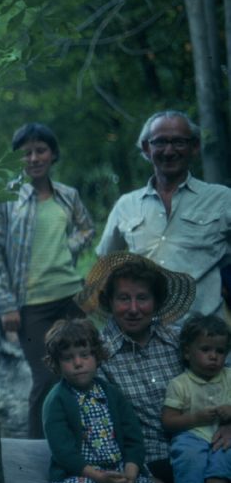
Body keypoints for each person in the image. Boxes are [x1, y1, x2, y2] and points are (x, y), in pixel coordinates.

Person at [0, 122, 94, 439]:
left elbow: (87, 229)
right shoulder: (5, 199)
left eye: (40, 150)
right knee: (46, 378)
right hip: (31, 305)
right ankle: (38, 446)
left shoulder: (67, 196)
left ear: (52, 154)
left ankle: (83, 440)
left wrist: (68, 247)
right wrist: (6, 305)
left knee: (82, 369)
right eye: (26, 152)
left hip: (71, 298)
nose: (33, 158)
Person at [76, 252, 197, 483]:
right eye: (123, 298)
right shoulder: (98, 356)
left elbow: (221, 380)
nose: (133, 309)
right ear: (109, 302)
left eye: (142, 298)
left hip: (197, 448)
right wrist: (144, 476)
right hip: (145, 462)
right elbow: (103, 430)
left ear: (156, 302)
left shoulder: (179, 341)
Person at [97, 110, 231, 324]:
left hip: (206, 341)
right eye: (160, 142)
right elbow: (105, 263)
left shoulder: (222, 199)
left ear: (194, 146)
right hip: (145, 339)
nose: (169, 151)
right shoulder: (126, 205)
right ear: (147, 148)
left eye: (178, 142)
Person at [42, 318, 158, 483]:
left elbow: (133, 438)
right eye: (68, 358)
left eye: (85, 355)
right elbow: (63, 452)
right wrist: (99, 477)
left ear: (97, 357)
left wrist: (130, 474)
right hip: (81, 474)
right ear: (57, 363)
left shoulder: (111, 393)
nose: (78, 363)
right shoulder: (56, 400)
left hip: (120, 471)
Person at [162, 315, 231, 483]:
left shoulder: (229, 376)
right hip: (192, 435)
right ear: (187, 352)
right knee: (186, 456)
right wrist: (195, 418)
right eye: (205, 349)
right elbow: (168, 421)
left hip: (223, 435)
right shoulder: (180, 384)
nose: (213, 356)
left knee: (227, 453)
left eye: (220, 351)